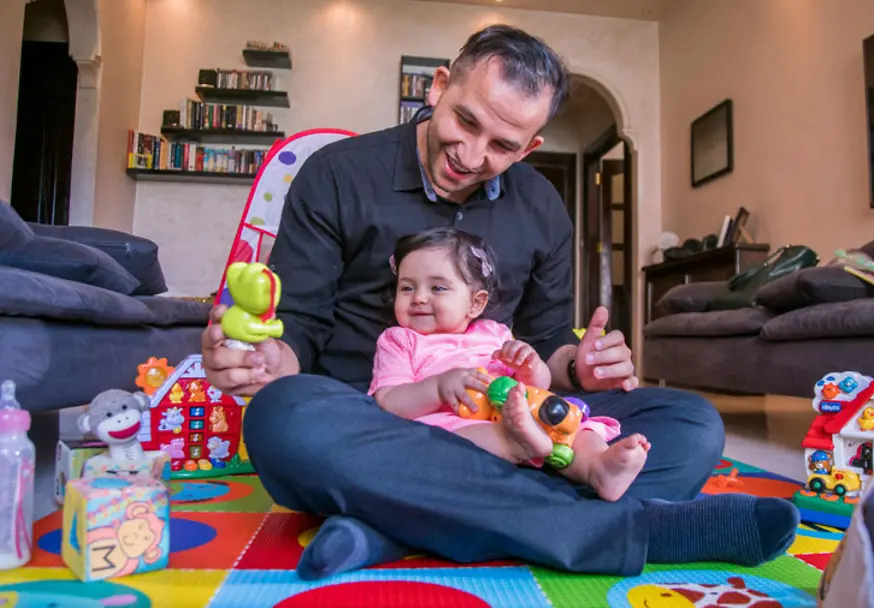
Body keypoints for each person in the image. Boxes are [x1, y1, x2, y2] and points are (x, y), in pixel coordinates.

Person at [201, 24, 799, 580]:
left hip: (512, 426)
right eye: (465, 121)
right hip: (374, 424)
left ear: (530, 145)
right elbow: (298, 323)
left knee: (691, 424)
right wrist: (268, 361)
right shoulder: (337, 174)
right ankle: (617, 529)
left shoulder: (541, 208)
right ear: (439, 87)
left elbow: (547, 343)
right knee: (285, 417)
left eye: (502, 145)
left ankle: (386, 523)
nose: (470, 153)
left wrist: (579, 366)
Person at [371, 227, 650, 502]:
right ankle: (511, 444)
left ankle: (599, 469)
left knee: (570, 425)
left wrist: (529, 367)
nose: (418, 297)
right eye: (407, 287)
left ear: (475, 304)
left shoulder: (495, 334)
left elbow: (536, 386)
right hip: (457, 424)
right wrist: (439, 387)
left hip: (521, 415)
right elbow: (390, 401)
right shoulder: (399, 341)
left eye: (438, 288)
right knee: (448, 442)